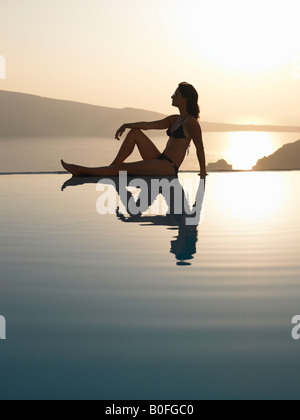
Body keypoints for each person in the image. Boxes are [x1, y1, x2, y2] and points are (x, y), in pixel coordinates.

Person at [61, 82, 207, 178]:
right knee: (135, 132)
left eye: (176, 94)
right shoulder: (175, 119)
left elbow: (200, 148)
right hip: (160, 159)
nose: (172, 96)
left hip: (168, 167)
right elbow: (148, 125)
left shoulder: (191, 123)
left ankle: (81, 170)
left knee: (124, 168)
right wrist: (126, 125)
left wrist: (203, 172)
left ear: (185, 99)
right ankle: (111, 168)